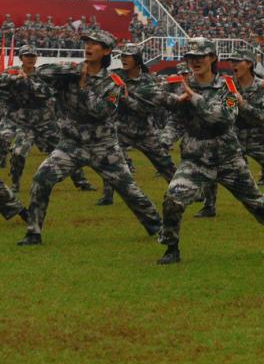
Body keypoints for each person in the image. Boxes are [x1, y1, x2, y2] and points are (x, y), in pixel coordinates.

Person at [12, 30, 162, 246]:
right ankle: (33, 232)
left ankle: (157, 227)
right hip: (71, 145)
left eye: (95, 44)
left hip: (103, 147)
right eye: (87, 43)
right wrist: (70, 72)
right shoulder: (71, 72)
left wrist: (83, 87)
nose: (89, 47)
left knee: (129, 190)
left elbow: (101, 111)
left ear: (107, 51)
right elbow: (41, 71)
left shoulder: (114, 84)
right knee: (41, 179)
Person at [156, 38, 264, 265]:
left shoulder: (228, 87)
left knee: (258, 204)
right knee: (173, 200)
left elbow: (224, 117)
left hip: (228, 158)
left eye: (200, 57)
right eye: (191, 58)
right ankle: (171, 248)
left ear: (212, 59)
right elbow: (177, 119)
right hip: (195, 158)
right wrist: (166, 138)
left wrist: (194, 98)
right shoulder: (183, 85)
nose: (195, 62)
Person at [194, 49, 264, 217]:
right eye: (231, 61)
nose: (233, 65)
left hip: (258, 136)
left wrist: (243, 105)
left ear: (249, 63)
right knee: (213, 166)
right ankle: (209, 206)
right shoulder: (227, 86)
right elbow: (226, 113)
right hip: (233, 136)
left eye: (237, 61)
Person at [3, 45, 95, 193]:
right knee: (18, 153)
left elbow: (47, 92)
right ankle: (15, 185)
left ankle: (82, 182)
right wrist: (14, 78)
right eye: (27, 56)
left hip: (46, 123)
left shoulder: (43, 74)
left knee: (66, 151)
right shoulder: (12, 71)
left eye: (33, 56)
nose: (30, 59)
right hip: (26, 124)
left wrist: (26, 81)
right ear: (21, 58)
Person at [99, 43, 177, 206]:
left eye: (127, 57)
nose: (123, 59)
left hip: (144, 130)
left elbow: (146, 109)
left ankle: (180, 190)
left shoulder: (148, 81)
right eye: (122, 56)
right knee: (110, 159)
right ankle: (107, 196)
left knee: (163, 162)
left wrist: (126, 98)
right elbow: (110, 102)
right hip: (121, 129)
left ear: (137, 60)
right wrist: (114, 95)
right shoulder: (116, 76)